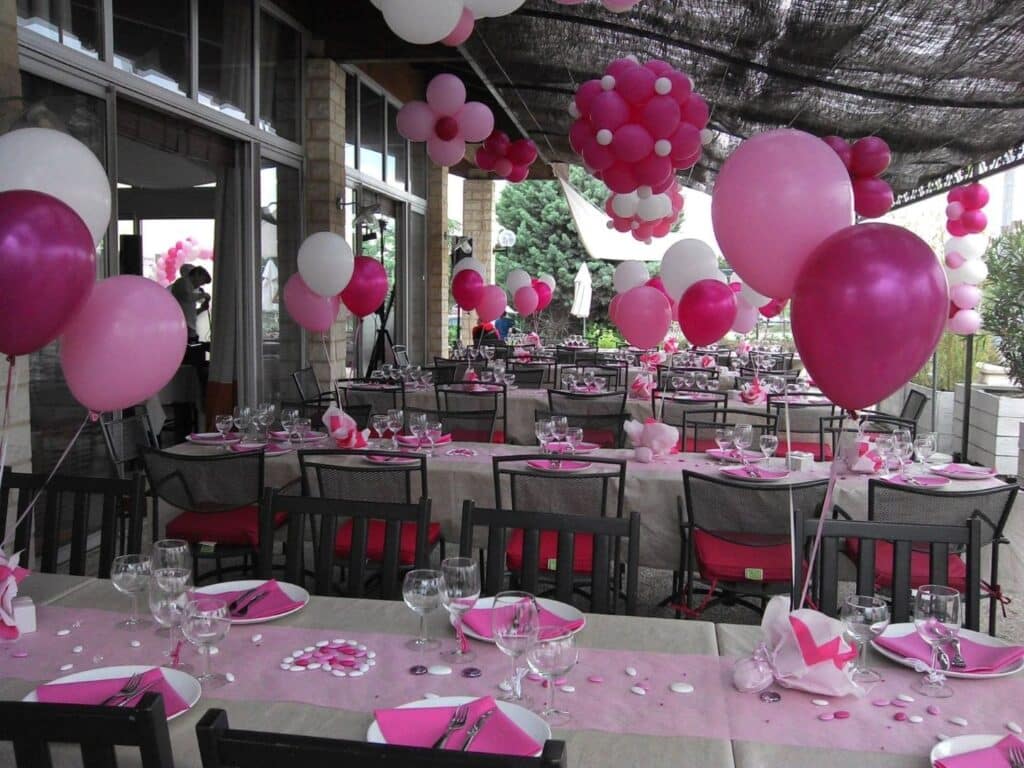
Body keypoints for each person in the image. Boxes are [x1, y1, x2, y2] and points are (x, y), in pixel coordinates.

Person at [170, 264, 211, 342]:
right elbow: (187, 297)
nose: (200, 285)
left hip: (190, 328)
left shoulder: (190, 288)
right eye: (202, 281)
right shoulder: (183, 282)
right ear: (197, 274)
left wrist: (202, 309)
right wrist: (203, 295)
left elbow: (189, 313)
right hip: (183, 327)